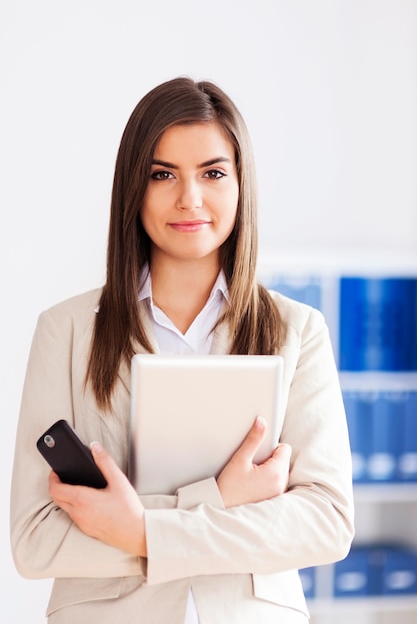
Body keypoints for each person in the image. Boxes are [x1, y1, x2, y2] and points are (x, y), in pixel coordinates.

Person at [10, 76, 354, 624]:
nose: (189, 198)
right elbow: (35, 539)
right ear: (133, 187)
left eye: (212, 173)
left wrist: (138, 530)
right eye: (162, 174)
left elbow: (326, 522)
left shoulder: (297, 330)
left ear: (241, 184)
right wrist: (218, 499)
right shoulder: (67, 331)